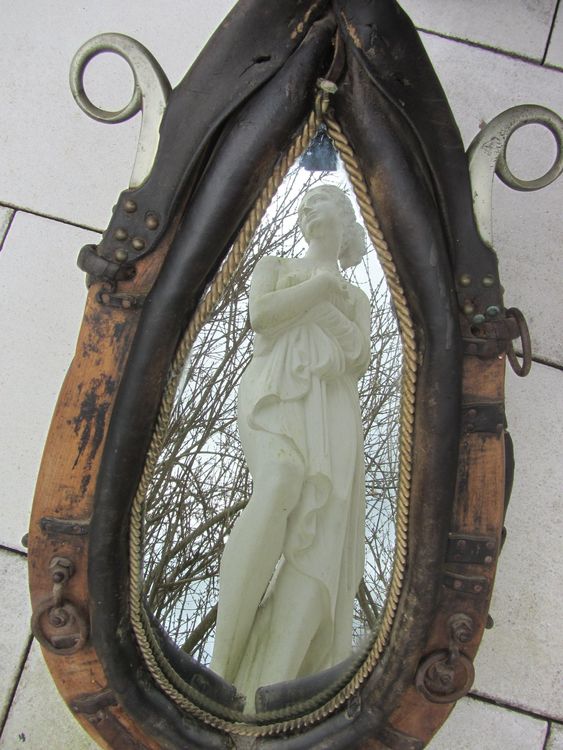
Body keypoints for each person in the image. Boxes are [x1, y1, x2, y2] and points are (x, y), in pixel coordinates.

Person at [210, 185, 371, 708]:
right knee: (281, 480)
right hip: (274, 387)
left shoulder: (358, 298)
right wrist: (319, 290)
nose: (307, 209)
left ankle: (271, 682)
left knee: (320, 530)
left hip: (334, 405)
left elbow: (357, 351)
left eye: (319, 201)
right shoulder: (275, 265)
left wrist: (315, 303)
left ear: (344, 222)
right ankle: (222, 661)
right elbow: (261, 315)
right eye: (304, 205)